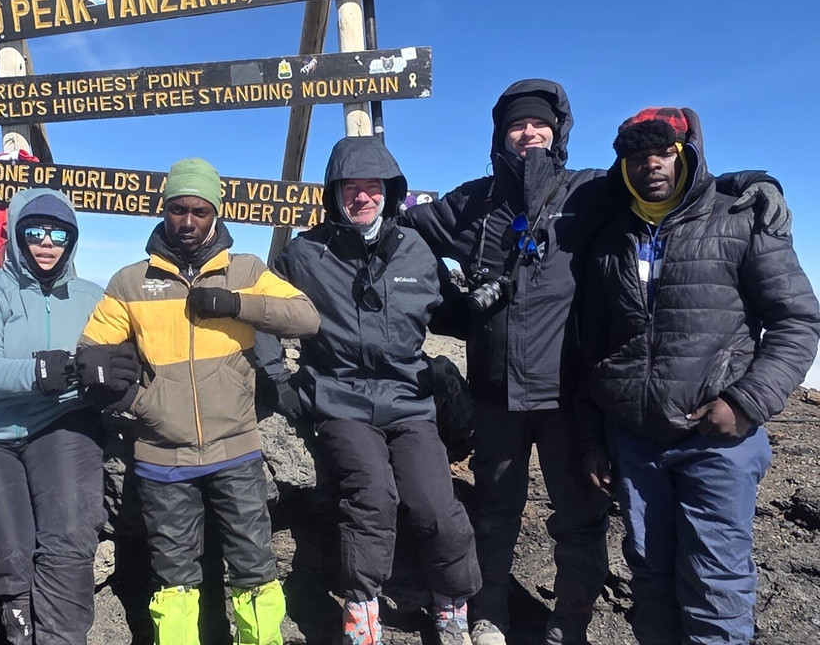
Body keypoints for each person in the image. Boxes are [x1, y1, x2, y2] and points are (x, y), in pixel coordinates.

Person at [400, 79, 790, 645]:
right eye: (516, 125)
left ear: (558, 131)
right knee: (493, 513)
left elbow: (667, 182)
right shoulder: (473, 202)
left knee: (580, 520)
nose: (528, 133)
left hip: (569, 393)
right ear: (500, 135)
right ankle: (490, 615)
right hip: (495, 392)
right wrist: (452, 307)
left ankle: (570, 623)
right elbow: (404, 228)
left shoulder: (588, 191)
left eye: (539, 123)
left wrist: (751, 182)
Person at [578, 107, 820, 645]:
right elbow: (593, 349)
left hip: (717, 440)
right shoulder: (611, 238)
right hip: (634, 441)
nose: (650, 165)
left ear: (685, 154)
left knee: (716, 581)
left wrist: (746, 403)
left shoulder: (740, 218)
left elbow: (798, 320)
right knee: (649, 574)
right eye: (637, 157)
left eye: (663, 152)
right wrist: (593, 439)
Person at [76, 157, 320, 645]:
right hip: (162, 455)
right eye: (178, 209)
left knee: (255, 569)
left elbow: (306, 317)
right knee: (174, 580)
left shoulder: (245, 270)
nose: (187, 221)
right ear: (163, 209)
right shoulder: (130, 282)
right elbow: (91, 353)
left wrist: (237, 304)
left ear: (216, 213)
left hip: (236, 449)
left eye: (200, 211)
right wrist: (136, 399)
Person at [270, 136, 482, 645]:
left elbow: (451, 313)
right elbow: (262, 308)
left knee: (435, 504)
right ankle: (362, 609)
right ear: (333, 194)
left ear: (390, 192)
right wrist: (277, 379)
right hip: (340, 401)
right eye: (350, 188)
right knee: (371, 496)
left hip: (409, 401)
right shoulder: (305, 253)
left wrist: (487, 299)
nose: (362, 197)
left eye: (373, 187)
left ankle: (452, 603)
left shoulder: (416, 250)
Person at [0, 188, 111, 645]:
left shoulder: (91, 295)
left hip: (61, 422)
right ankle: (18, 632)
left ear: (72, 241)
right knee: (11, 549)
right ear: (17, 236)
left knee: (71, 530)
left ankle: (63, 638)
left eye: (59, 234)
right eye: (35, 232)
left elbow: (109, 355)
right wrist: (40, 373)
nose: (46, 243)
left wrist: (113, 374)